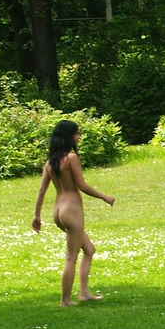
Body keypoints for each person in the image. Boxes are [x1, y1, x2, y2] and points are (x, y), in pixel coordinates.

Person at [32, 119, 115, 306]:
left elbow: (41, 191)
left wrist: (36, 216)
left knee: (89, 250)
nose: (79, 137)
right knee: (71, 257)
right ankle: (65, 301)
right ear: (68, 136)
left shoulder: (50, 163)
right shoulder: (71, 158)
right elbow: (82, 185)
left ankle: (84, 293)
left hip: (59, 211)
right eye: (77, 133)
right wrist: (104, 197)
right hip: (72, 210)